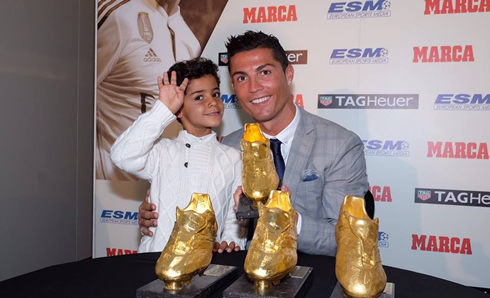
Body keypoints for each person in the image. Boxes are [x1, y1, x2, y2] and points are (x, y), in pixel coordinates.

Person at [138, 31, 369, 256]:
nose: (254, 87)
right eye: (241, 78)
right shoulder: (228, 147)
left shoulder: (340, 145)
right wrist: (159, 212)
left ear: (288, 74)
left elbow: (347, 240)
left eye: (265, 72)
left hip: (311, 277)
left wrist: (289, 220)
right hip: (240, 279)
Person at [111, 58, 246, 253]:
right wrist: (163, 110)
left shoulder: (233, 158)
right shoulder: (162, 151)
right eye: (199, 97)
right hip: (155, 262)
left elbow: (234, 218)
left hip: (206, 266)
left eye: (215, 94)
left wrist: (231, 243)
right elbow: (121, 156)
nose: (212, 102)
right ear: (179, 109)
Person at [97, 0, 201, 180]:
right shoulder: (118, 15)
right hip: (113, 188)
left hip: (165, 187)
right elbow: (69, 95)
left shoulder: (188, 40)